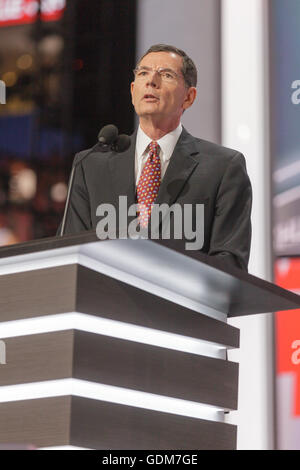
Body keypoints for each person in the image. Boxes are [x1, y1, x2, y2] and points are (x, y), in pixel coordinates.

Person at [60, 44, 252, 271]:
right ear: (133, 91)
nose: (151, 81)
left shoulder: (223, 168)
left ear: (189, 97)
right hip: (106, 303)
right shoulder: (90, 165)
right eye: (143, 73)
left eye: (166, 75)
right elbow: (69, 256)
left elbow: (229, 266)